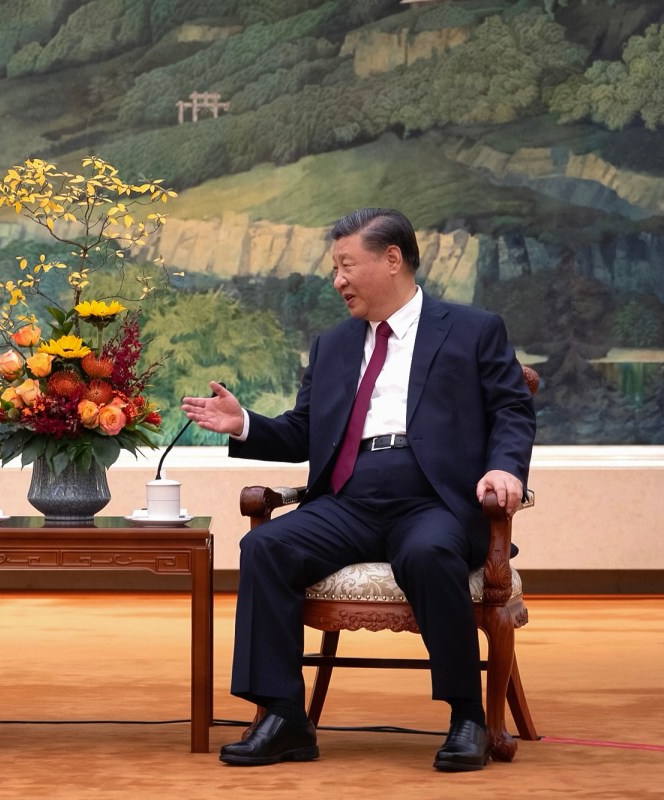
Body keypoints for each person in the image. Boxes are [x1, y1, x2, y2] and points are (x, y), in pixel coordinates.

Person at [181, 208, 535, 771]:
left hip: (435, 501)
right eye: (334, 268)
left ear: (392, 259)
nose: (337, 280)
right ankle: (284, 718)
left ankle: (467, 717)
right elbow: (305, 430)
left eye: (346, 266)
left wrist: (506, 468)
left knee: (427, 553)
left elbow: (512, 409)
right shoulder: (334, 345)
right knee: (265, 546)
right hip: (349, 500)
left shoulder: (473, 329)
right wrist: (243, 423)